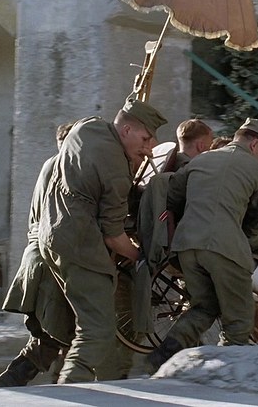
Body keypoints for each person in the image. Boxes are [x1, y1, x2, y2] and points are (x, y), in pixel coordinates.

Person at [38, 99, 167, 384]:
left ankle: (72, 380)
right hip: (81, 246)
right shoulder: (117, 170)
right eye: (145, 139)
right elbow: (114, 236)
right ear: (127, 130)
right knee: (98, 329)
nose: (149, 148)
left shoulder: (87, 126)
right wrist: (142, 257)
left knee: (82, 322)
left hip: (52, 237)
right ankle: (69, 389)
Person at [147, 118, 258, 371]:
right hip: (225, 247)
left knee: (205, 307)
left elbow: (173, 196)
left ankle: (161, 356)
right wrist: (241, 240)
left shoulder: (201, 159)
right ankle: (226, 372)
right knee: (239, 320)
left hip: (186, 246)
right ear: (254, 144)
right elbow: (255, 219)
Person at [0, 121, 75, 387]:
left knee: (59, 332)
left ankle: (56, 384)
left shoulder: (50, 165)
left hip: (38, 259)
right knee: (57, 332)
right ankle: (18, 380)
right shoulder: (66, 166)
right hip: (52, 262)